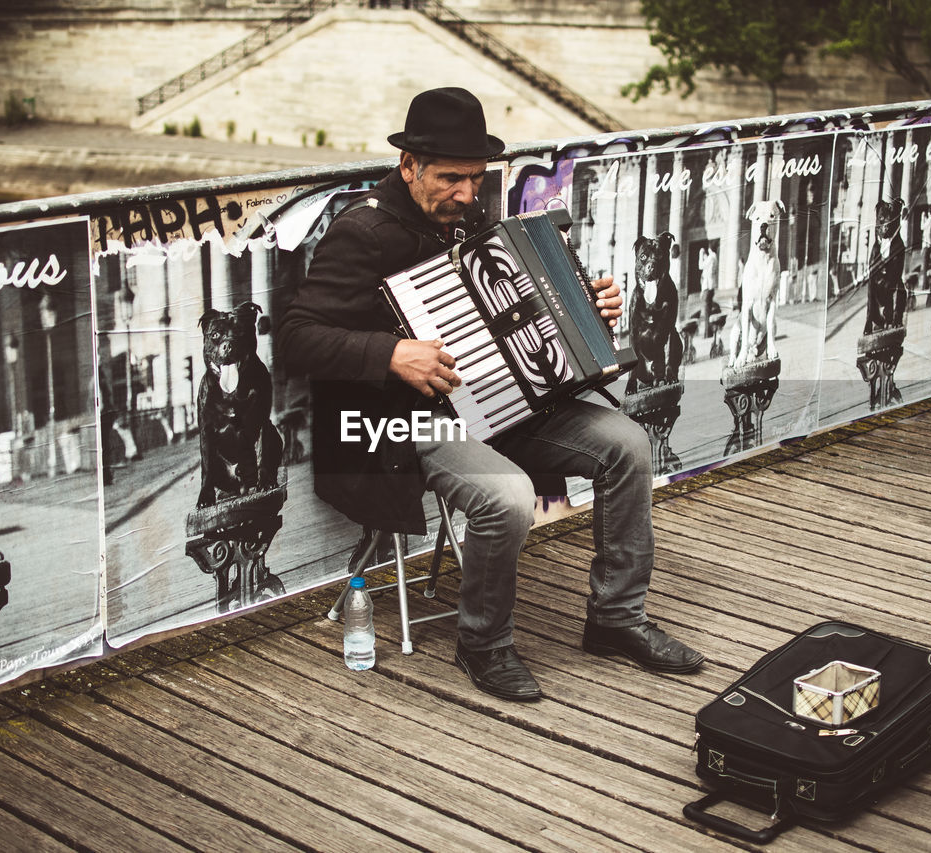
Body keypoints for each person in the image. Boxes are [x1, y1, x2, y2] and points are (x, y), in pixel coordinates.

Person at [277, 87, 704, 701]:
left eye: (476, 178)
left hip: (507, 404)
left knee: (628, 445)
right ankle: (483, 643)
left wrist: (589, 311)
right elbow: (297, 338)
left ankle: (616, 620)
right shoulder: (363, 234)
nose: (466, 194)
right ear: (409, 166)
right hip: (410, 424)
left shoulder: (474, 219)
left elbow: (524, 313)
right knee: (506, 494)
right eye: (451, 178)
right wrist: (391, 354)